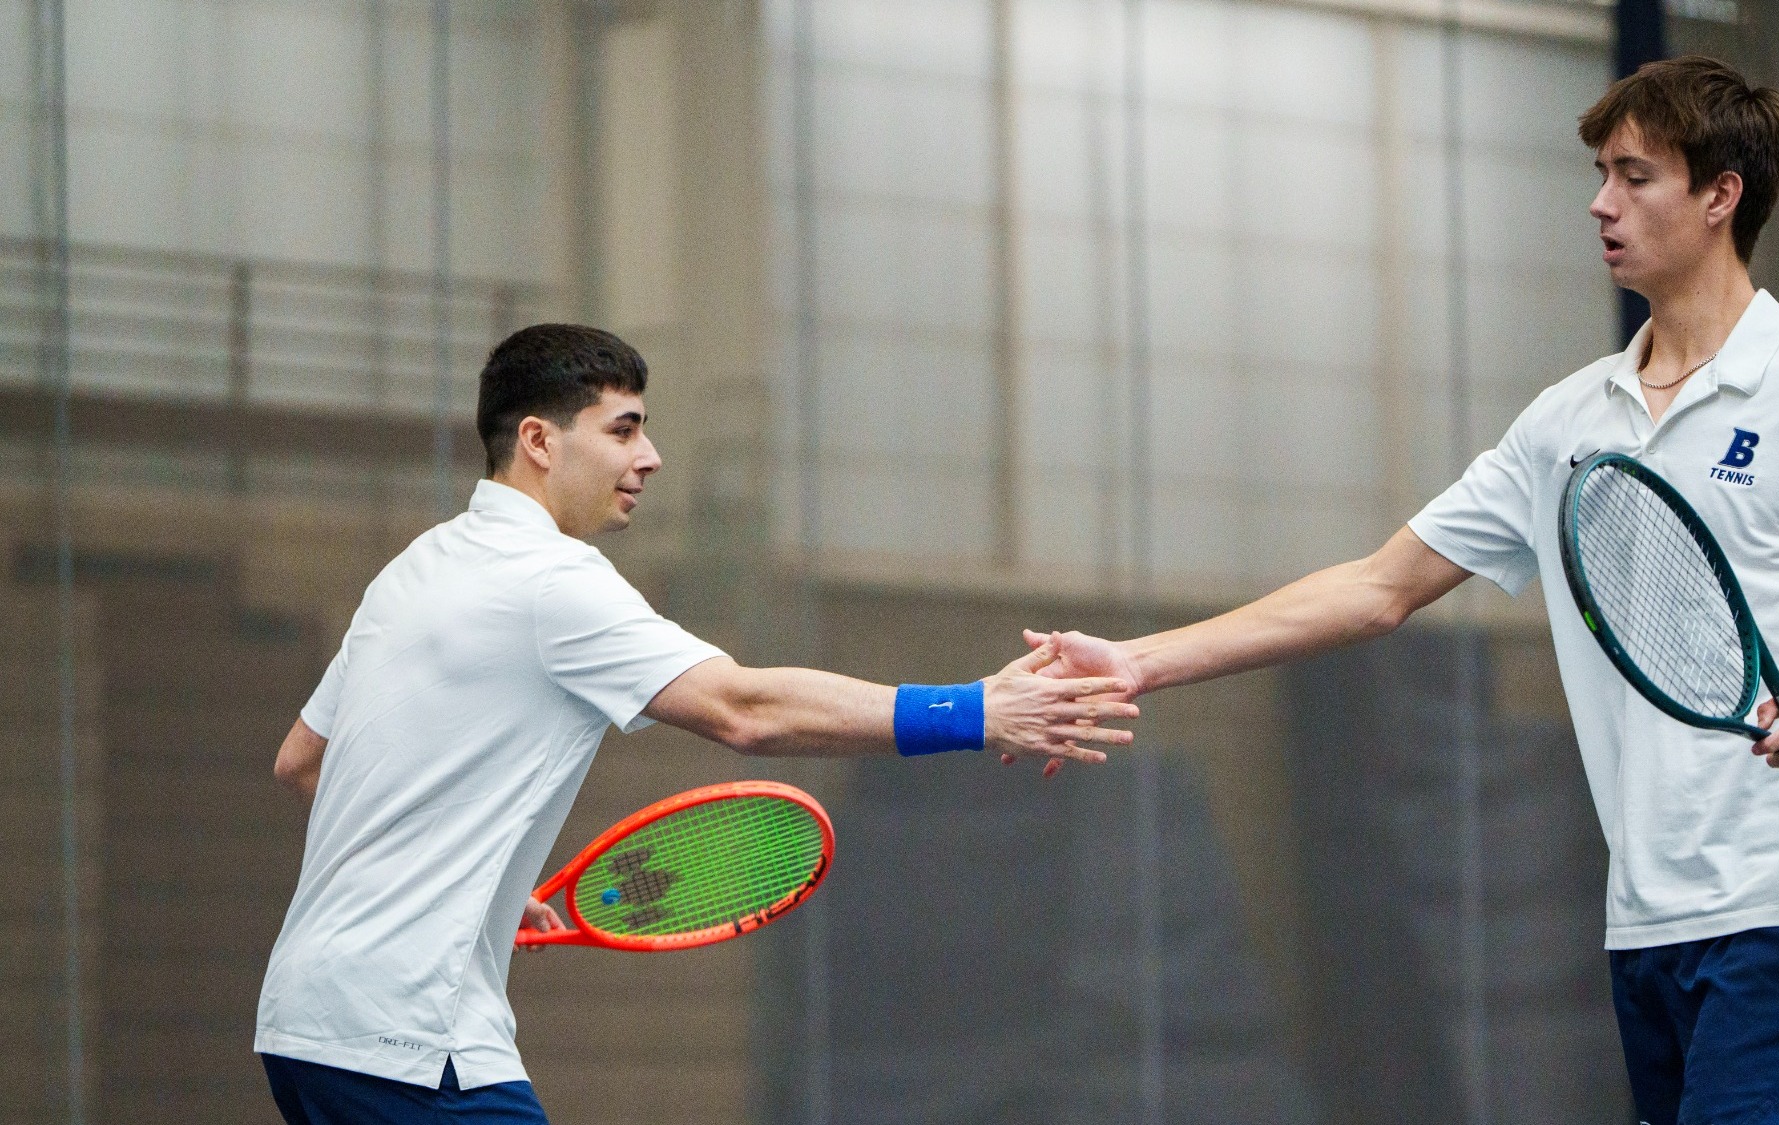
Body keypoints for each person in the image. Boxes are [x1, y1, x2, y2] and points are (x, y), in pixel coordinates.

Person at [1017, 56, 1779, 1123]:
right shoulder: (1564, 423)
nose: (1598, 202)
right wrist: (1138, 662)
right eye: (1597, 173)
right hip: (1644, 920)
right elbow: (1377, 586)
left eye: (1633, 176)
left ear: (1720, 196)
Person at [254, 324, 1139, 1124]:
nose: (652, 456)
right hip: (408, 1037)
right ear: (537, 440)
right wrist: (975, 710)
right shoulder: (553, 580)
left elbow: (303, 759)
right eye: (623, 428)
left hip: (304, 1022)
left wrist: (462, 874)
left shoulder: (412, 570)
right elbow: (744, 709)